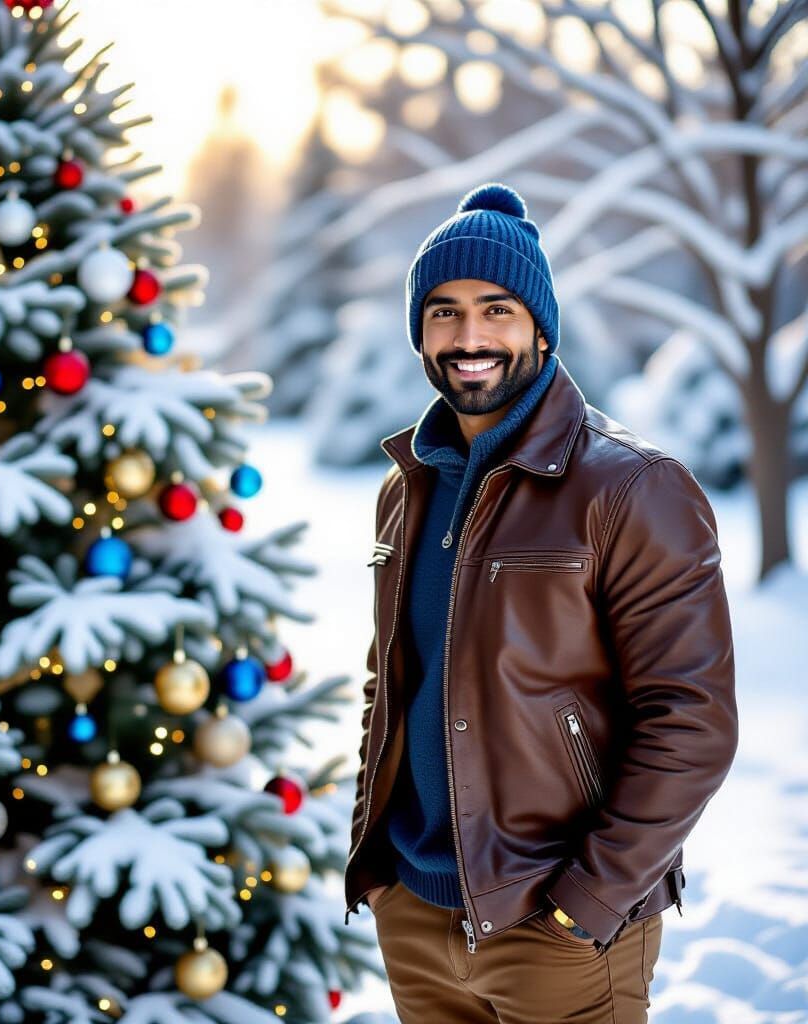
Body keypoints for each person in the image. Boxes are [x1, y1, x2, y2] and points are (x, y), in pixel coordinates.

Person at [343, 182, 739, 1023]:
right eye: (444, 312)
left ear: (541, 328)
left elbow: (692, 721)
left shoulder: (631, 487)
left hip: (555, 928)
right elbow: (391, 685)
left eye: (497, 309)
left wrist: (586, 904)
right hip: (416, 912)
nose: (470, 337)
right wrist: (375, 865)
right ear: (420, 332)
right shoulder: (406, 488)